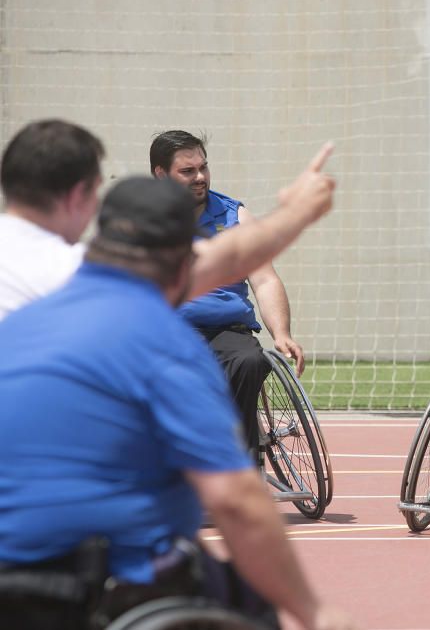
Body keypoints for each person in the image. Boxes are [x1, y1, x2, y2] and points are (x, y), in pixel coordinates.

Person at [0, 177, 354, 630]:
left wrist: (298, 212)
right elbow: (234, 502)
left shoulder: (26, 322)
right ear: (185, 262)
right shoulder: (164, 346)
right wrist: (313, 611)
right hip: (91, 582)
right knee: (249, 600)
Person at [0, 119, 336, 323]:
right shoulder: (72, 271)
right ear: (77, 197)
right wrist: (298, 211)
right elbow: (224, 260)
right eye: (95, 194)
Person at [150, 130, 306, 456]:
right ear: (161, 175)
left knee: (251, 360)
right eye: (187, 171)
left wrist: (282, 333)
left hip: (227, 329)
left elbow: (264, 280)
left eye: (203, 168)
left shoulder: (235, 216)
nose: (200, 177)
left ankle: (241, 463)